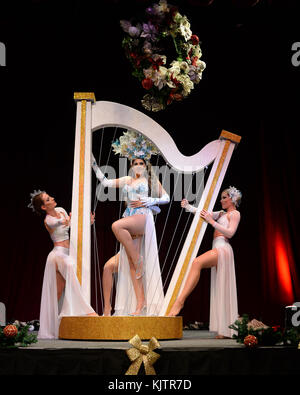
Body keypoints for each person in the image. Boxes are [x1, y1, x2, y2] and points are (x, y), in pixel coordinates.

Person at [92, 130, 169, 316]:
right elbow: (106, 182)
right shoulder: (127, 180)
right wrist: (93, 164)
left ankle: (138, 260)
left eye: (141, 163)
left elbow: (166, 198)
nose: (138, 166)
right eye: (135, 163)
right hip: (131, 218)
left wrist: (151, 201)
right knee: (112, 267)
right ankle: (133, 304)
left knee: (117, 226)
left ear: (145, 164)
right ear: (131, 165)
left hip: (143, 217)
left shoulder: (150, 179)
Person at [167, 186, 242, 339]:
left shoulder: (234, 214)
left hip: (223, 248)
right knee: (221, 288)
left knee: (197, 263)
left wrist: (211, 222)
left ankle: (180, 301)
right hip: (217, 246)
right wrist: (188, 206)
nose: (221, 200)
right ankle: (225, 330)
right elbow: (203, 214)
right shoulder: (221, 213)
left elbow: (231, 233)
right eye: (221, 197)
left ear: (232, 199)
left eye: (224, 197)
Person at [28, 190, 97, 339]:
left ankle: (53, 327)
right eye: (48, 199)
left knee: (58, 293)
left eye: (50, 197)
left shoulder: (60, 210)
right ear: (44, 207)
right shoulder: (48, 220)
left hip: (67, 252)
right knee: (71, 265)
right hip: (57, 255)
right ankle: (86, 310)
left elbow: (72, 226)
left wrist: (87, 222)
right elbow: (55, 223)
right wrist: (63, 221)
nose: (52, 198)